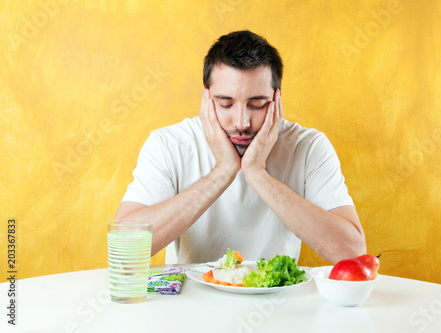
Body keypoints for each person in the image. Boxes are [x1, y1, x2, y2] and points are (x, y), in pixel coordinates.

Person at [114, 30, 366, 264]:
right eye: (226, 104)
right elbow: (124, 248)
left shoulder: (308, 147)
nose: (242, 123)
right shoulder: (168, 145)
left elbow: (352, 252)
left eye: (257, 104)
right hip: (190, 306)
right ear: (207, 99)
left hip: (277, 306)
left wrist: (257, 172)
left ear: (277, 99)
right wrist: (223, 171)